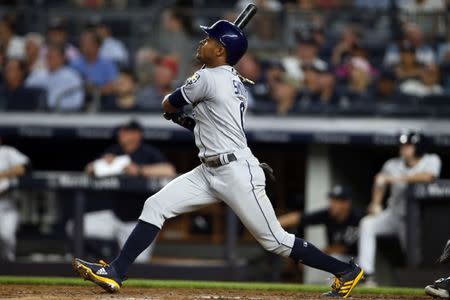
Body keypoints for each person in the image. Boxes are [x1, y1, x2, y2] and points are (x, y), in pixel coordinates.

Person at [73, 19, 364, 298]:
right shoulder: (229, 79)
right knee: (156, 204)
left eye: (210, 39)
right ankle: (116, 272)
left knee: (275, 241)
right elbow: (204, 121)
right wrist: (186, 118)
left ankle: (346, 271)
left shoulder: (207, 77)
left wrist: (177, 108)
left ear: (221, 50)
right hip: (210, 169)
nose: (203, 42)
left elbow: (167, 102)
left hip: (235, 171)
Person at [67, 120, 176, 262]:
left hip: (139, 223)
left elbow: (169, 170)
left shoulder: (148, 153)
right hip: (115, 218)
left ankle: (115, 260)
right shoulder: (115, 151)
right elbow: (88, 170)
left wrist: (139, 170)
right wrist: (101, 164)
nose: (121, 134)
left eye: (126, 131)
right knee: (74, 226)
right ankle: (102, 259)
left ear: (137, 135)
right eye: (121, 131)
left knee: (138, 265)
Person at [358, 130, 441, 285]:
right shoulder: (392, 164)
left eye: (408, 145)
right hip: (393, 214)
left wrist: (394, 179)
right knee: (367, 224)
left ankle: (424, 284)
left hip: (416, 220)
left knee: (414, 256)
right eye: (402, 145)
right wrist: (376, 202)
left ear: (419, 146)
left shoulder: (431, 159)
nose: (403, 148)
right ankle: (366, 274)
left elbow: (429, 177)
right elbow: (380, 181)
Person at [279, 185, 362, 260]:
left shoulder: (358, 218)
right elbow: (299, 218)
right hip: (338, 258)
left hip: (357, 260)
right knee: (330, 257)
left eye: (336, 201)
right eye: (332, 200)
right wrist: (274, 225)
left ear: (346, 203)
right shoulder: (328, 214)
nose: (332, 204)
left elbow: (343, 248)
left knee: (333, 257)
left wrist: (314, 255)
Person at [25, 43, 84, 112]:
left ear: (62, 58)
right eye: (48, 56)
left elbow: (77, 102)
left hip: (64, 116)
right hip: (38, 115)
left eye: (53, 57)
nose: (50, 59)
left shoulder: (73, 76)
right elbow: (26, 93)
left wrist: (51, 104)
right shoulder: (37, 75)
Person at [0, 137, 30, 261]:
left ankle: (8, 268)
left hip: (6, 203)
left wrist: (3, 175)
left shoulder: (6, 152)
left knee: (7, 236)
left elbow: (24, 167)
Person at [70, 30, 118, 98]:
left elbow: (112, 86)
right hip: (80, 100)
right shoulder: (74, 64)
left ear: (98, 46)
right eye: (83, 44)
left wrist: (94, 90)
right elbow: (70, 86)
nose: (85, 47)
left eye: (88, 44)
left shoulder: (108, 64)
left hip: (103, 100)